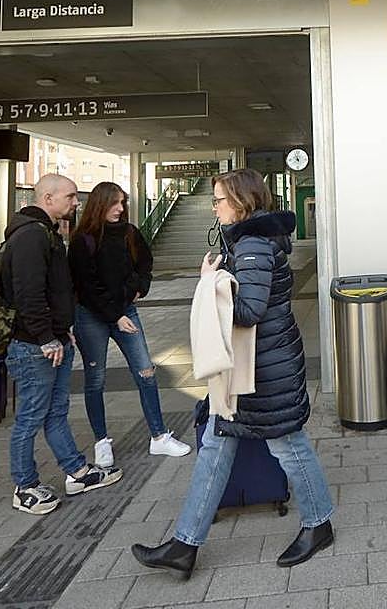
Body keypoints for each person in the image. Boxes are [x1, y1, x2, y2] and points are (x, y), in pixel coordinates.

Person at [131, 169, 334, 576]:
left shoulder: (254, 245)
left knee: (288, 447)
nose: (214, 207)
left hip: (264, 371)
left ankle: (319, 524)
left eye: (219, 199)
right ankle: (185, 544)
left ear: (241, 201)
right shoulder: (248, 240)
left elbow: (248, 311)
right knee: (213, 446)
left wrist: (210, 283)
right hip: (252, 368)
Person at [2, 173, 123, 516]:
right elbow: (29, 293)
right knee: (30, 416)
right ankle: (25, 486)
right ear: (48, 197)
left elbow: (51, 290)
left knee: (55, 411)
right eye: (70, 196)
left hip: (50, 340)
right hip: (34, 346)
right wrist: (44, 336)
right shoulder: (30, 236)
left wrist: (59, 330)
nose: (75, 202)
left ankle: (78, 471)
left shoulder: (45, 233)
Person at [68, 181, 191, 469]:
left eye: (122, 203)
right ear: (100, 204)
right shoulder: (82, 240)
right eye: (114, 203)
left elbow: (145, 264)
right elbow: (87, 287)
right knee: (95, 380)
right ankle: (101, 442)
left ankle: (159, 436)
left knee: (146, 371)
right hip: (92, 317)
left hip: (125, 312)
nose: (120, 209)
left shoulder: (129, 233)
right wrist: (115, 316)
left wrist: (140, 287)